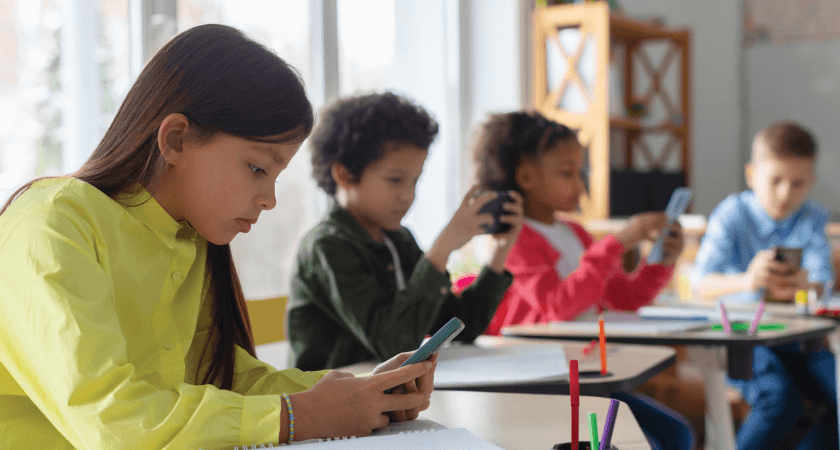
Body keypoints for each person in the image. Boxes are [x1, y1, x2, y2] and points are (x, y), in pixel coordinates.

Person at [0, 25, 436, 450]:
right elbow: (114, 422)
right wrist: (297, 416)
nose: (269, 200)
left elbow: (226, 379)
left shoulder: (189, 239)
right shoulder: (53, 223)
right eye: (257, 169)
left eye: (277, 177)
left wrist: (363, 391)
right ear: (176, 140)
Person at [468, 110, 695, 450]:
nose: (581, 184)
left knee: (678, 434)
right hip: (543, 381)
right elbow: (557, 307)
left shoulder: (575, 232)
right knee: (649, 443)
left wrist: (660, 261)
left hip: (586, 372)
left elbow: (624, 297)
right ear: (526, 176)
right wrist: (617, 242)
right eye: (567, 173)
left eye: (581, 171)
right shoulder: (513, 238)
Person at [288, 92, 524, 371]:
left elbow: (462, 325)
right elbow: (392, 344)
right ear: (344, 174)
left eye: (415, 181)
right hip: (333, 403)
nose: (408, 196)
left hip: (381, 397)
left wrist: (499, 253)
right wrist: (441, 250)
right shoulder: (327, 246)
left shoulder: (398, 239)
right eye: (395, 180)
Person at [692, 121, 837, 449]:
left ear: (811, 182)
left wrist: (803, 287)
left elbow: (822, 285)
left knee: (838, 395)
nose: (786, 193)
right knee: (778, 397)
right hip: (744, 338)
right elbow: (700, 283)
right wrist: (748, 280)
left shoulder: (813, 216)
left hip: (799, 339)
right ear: (751, 174)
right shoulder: (732, 214)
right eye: (776, 181)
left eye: (798, 183)